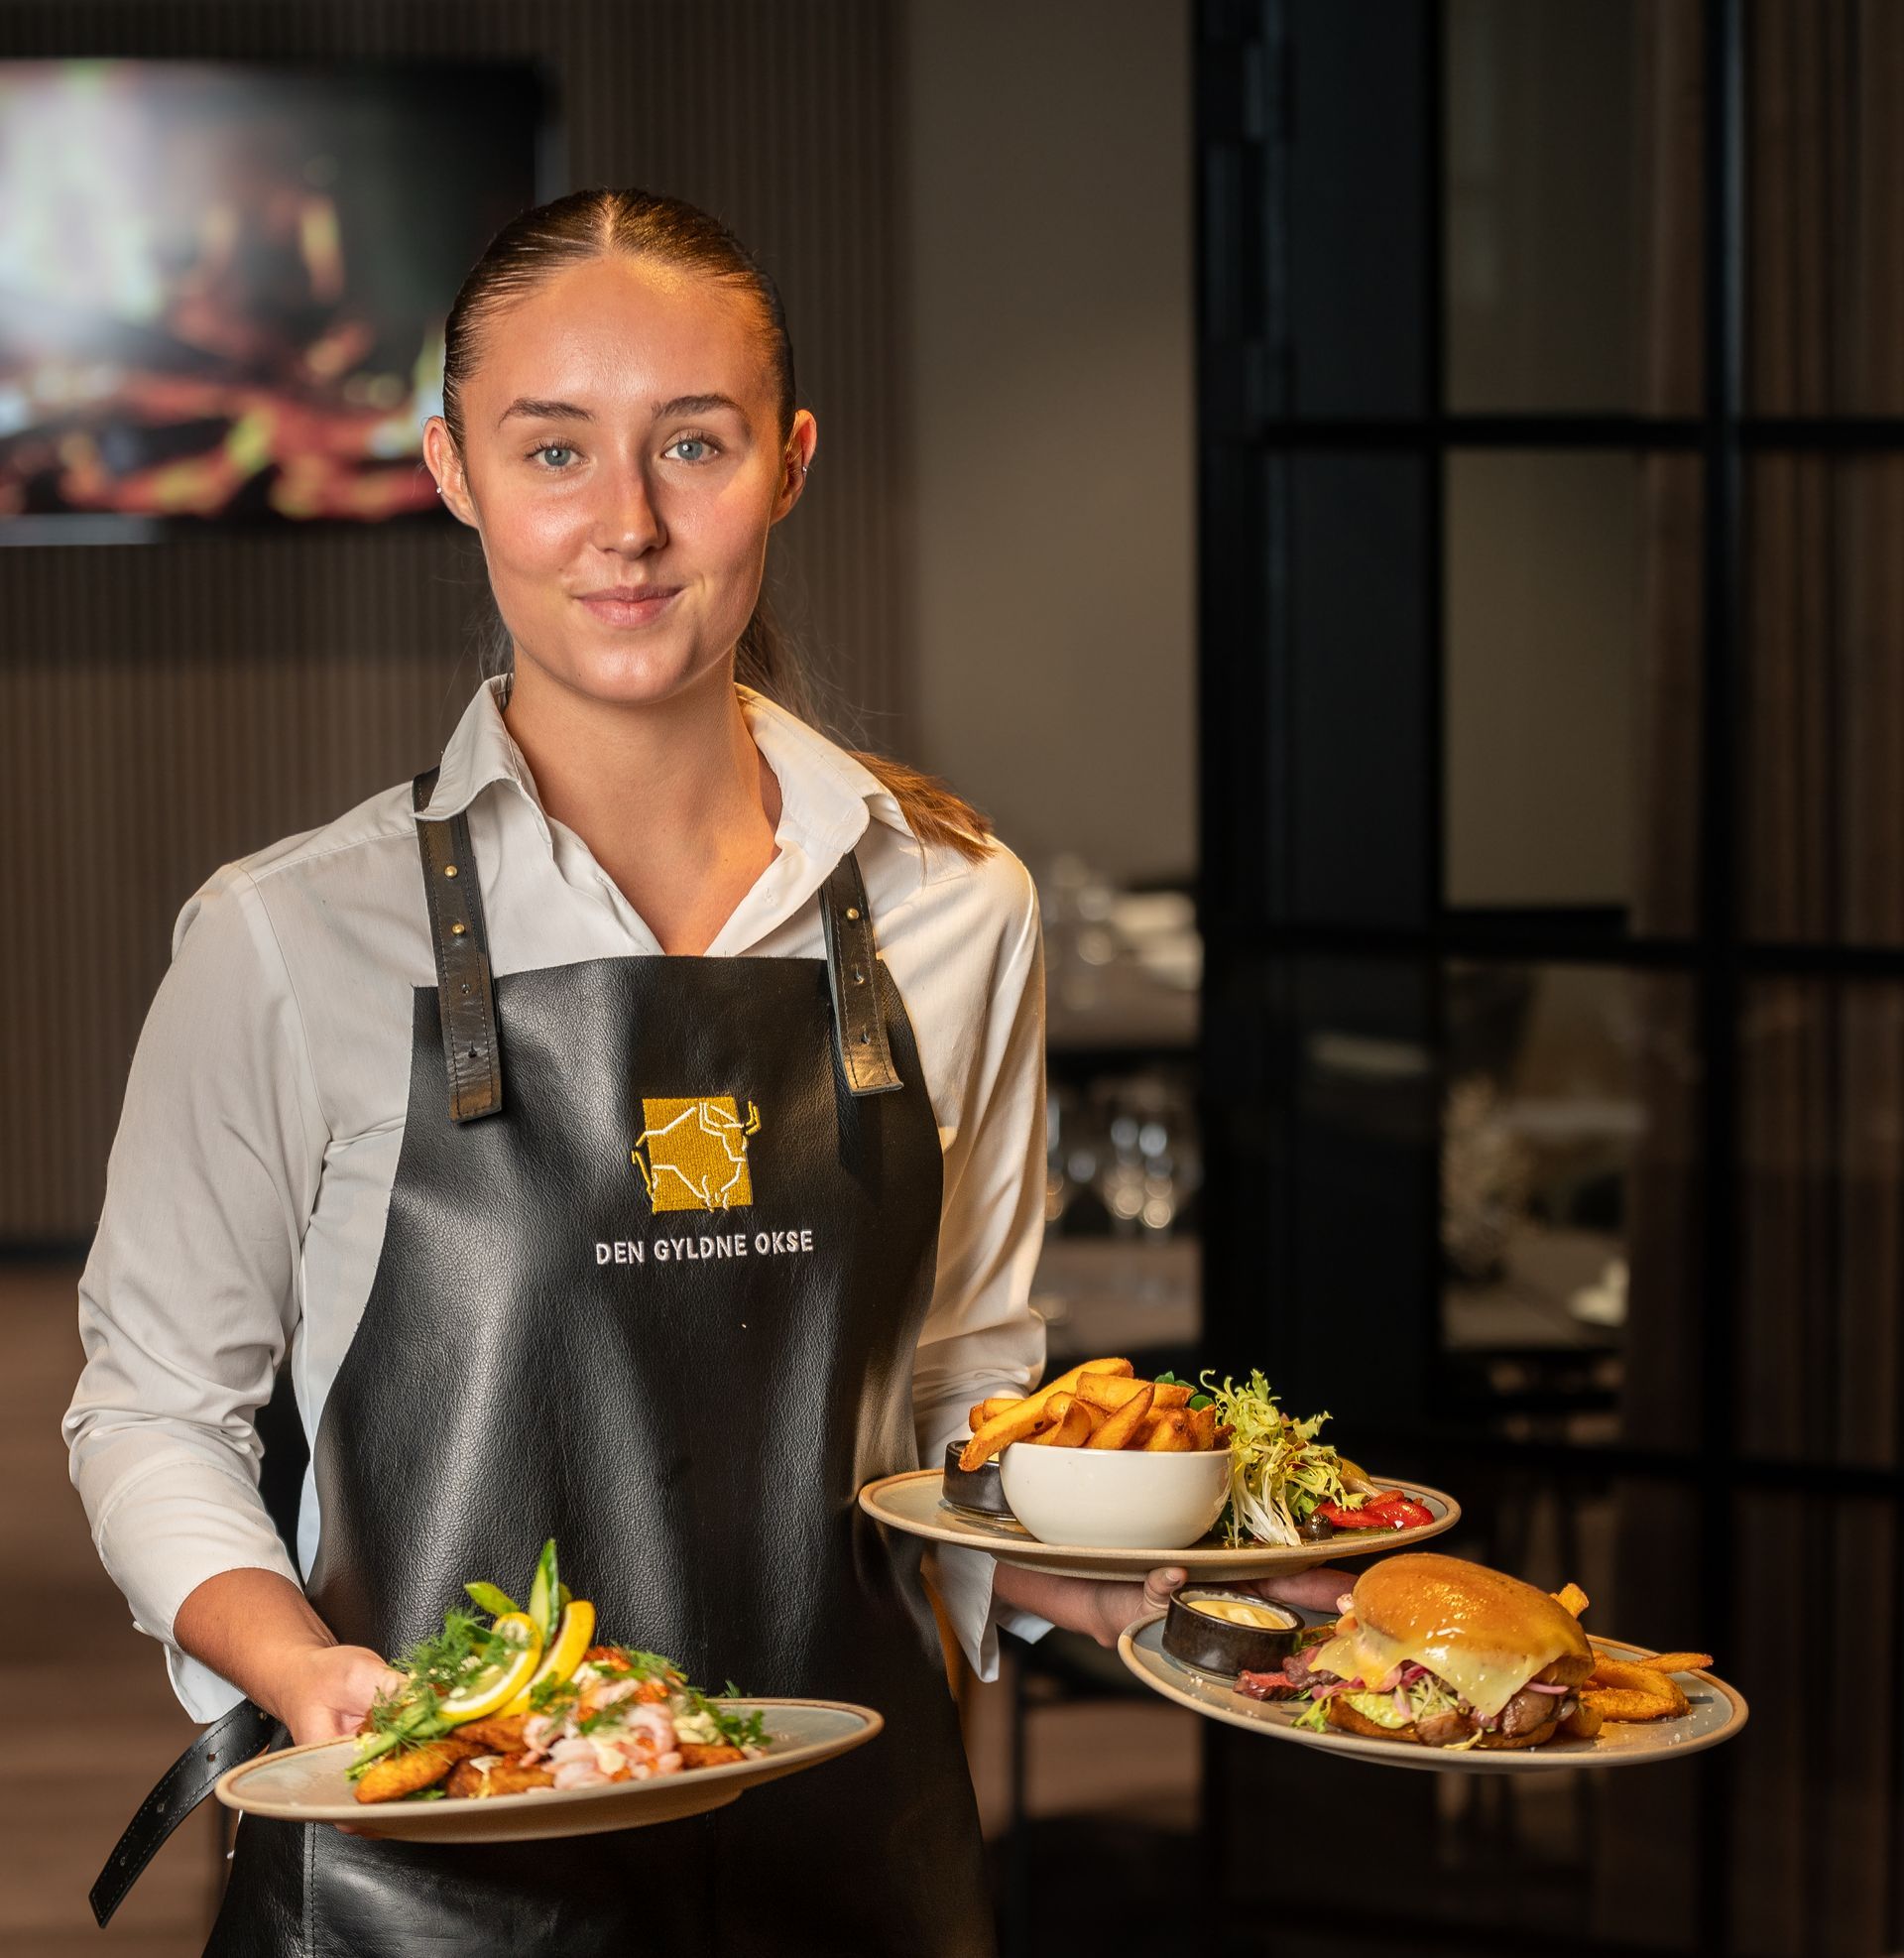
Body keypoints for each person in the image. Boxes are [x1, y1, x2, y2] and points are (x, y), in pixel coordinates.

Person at [65, 187, 1337, 1958]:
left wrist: (1115, 1583)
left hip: (851, 1859)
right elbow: (148, 1408)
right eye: (554, 449)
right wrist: (300, 1670)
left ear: (791, 461)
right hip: (428, 1864)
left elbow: (953, 1390)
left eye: (696, 443)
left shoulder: (957, 907)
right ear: (451, 470)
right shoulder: (285, 938)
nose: (631, 524)